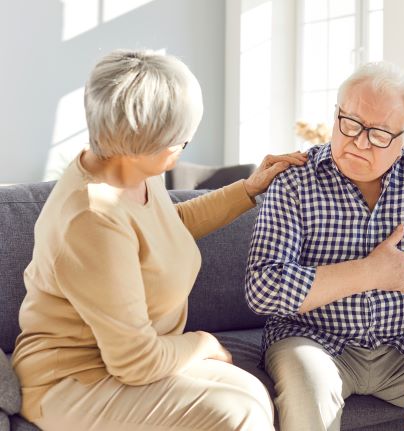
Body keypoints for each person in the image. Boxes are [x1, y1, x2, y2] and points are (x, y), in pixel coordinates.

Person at [12, 49, 306, 431]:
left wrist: (248, 190)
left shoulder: (127, 165)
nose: (183, 150)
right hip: (73, 378)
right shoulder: (92, 219)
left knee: (250, 395)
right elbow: (135, 361)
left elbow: (167, 224)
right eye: (181, 142)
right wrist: (204, 343)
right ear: (149, 141)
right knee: (238, 413)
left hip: (128, 361)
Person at [245, 61, 404, 431]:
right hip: (313, 341)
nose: (358, 141)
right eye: (349, 123)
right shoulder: (294, 181)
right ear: (335, 115)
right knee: (310, 385)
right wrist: (368, 272)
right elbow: (263, 289)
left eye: (379, 134)